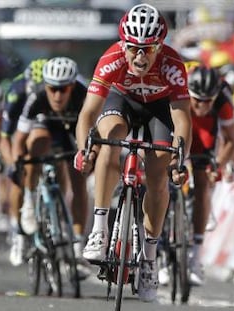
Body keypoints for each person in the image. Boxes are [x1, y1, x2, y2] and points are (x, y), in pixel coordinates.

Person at [74, 3, 192, 302]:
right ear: (123, 45)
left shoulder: (173, 65)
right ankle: (100, 229)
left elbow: (181, 119)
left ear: (159, 47)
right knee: (108, 137)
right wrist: (83, 149)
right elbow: (88, 113)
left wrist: (181, 158)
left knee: (158, 174)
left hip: (159, 109)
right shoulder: (111, 59)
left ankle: (150, 258)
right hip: (122, 101)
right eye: (133, 48)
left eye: (148, 49)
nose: (140, 56)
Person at [11, 56, 91, 278]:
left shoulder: (83, 96)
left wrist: (89, 158)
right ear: (45, 86)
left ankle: (76, 245)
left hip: (73, 130)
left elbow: (94, 134)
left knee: (79, 180)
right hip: (44, 128)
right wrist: (20, 163)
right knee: (35, 145)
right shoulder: (36, 97)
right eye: (52, 89)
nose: (57, 95)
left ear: (72, 86)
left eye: (63, 89)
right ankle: (29, 199)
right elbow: (19, 139)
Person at [171, 65, 234, 286]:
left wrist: (216, 167)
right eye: (197, 100)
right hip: (178, 119)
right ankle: (158, 252)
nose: (202, 105)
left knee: (201, 182)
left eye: (208, 101)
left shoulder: (223, 99)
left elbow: (231, 140)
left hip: (204, 131)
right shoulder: (177, 86)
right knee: (162, 172)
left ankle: (195, 257)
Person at [0, 58, 48, 266]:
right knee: (20, 173)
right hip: (20, 126)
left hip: (45, 123)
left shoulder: (54, 89)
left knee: (60, 163)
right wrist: (13, 164)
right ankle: (17, 231)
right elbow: (4, 137)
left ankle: (56, 211)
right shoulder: (16, 91)